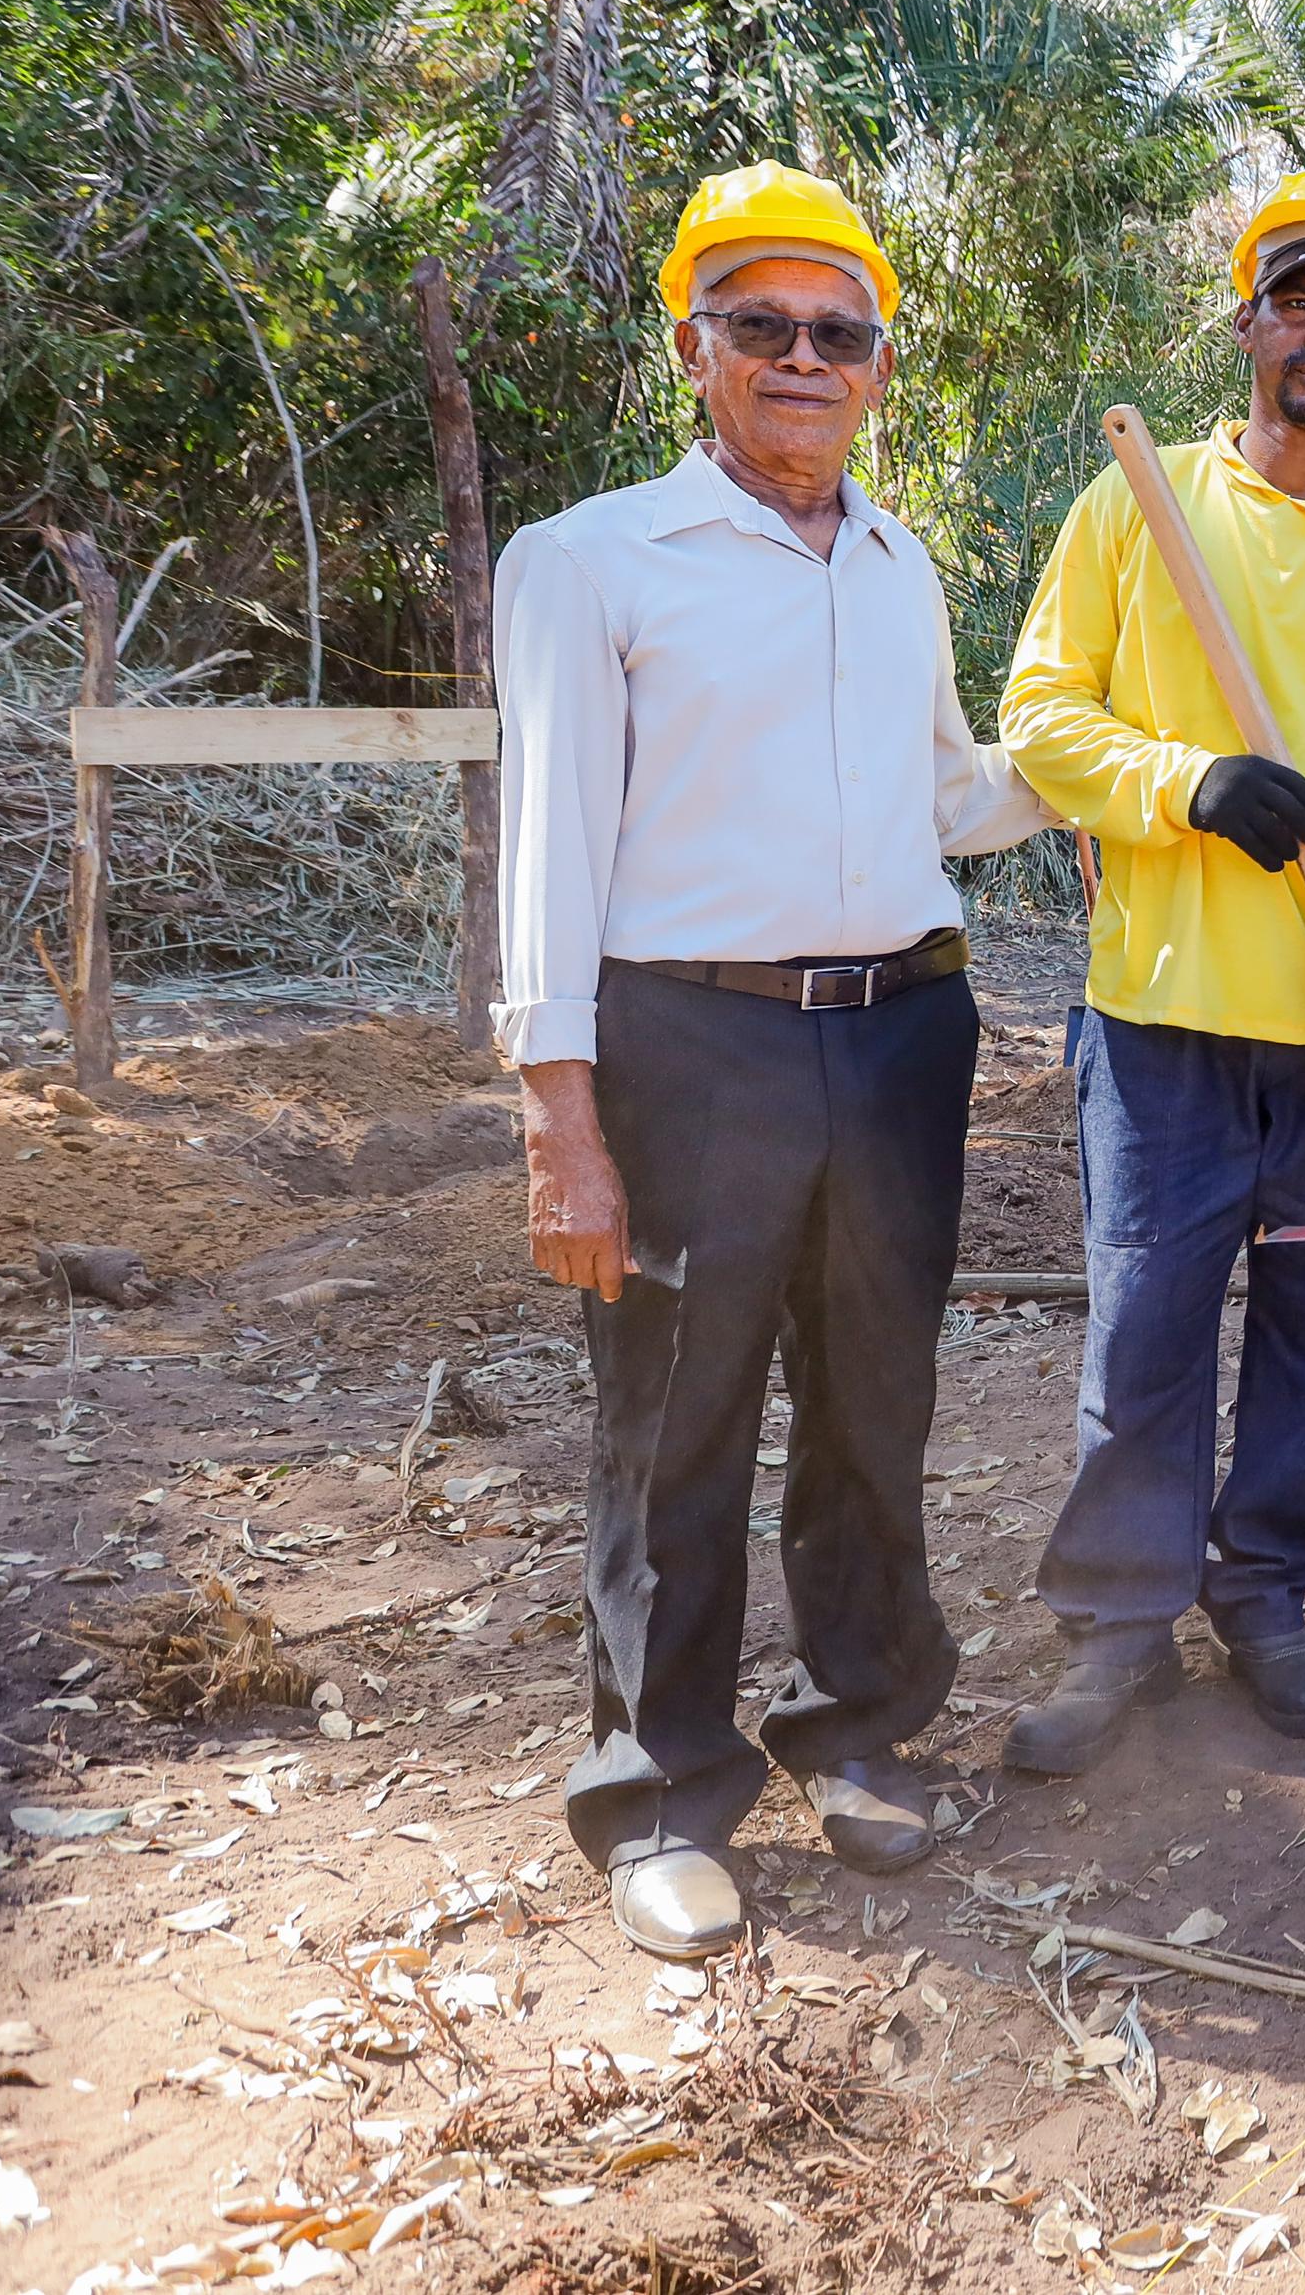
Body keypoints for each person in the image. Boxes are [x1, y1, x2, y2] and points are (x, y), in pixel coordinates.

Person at [494, 163, 1056, 1960]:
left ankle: (858, 1725)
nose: (804, 357)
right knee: (675, 1421)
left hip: (899, 1033)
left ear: (880, 364)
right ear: (696, 346)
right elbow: (551, 851)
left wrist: (1127, 753)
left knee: (877, 1397)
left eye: (840, 331)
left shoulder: (898, 566)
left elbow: (951, 793)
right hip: (689, 1039)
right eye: (764, 325)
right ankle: (657, 1786)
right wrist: (558, 1115)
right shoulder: (590, 562)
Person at [991, 169, 1305, 1775]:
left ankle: (1263, 1590)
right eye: (1298, 305)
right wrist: (1188, 785)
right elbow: (1043, 718)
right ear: (1249, 323)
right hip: (1161, 1019)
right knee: (1145, 1322)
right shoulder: (1136, 508)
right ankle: (1121, 1627)